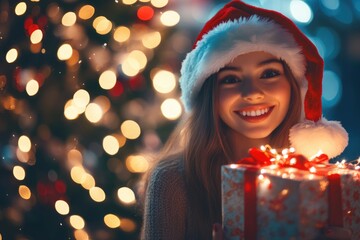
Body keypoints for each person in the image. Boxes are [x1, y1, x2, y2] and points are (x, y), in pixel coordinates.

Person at [140, 0, 350, 239]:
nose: (252, 93)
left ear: (293, 87)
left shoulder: (317, 181)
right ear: (210, 96)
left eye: (269, 73)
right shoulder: (173, 181)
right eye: (231, 79)